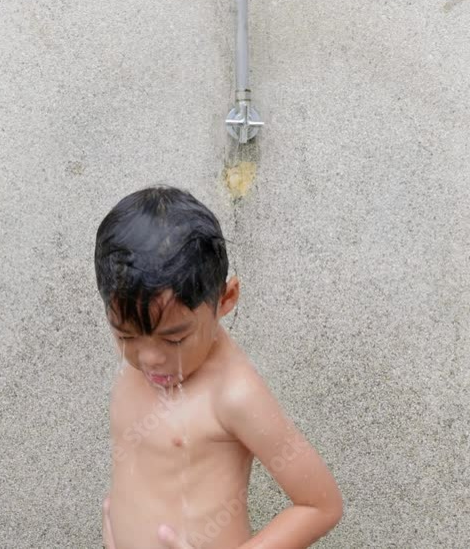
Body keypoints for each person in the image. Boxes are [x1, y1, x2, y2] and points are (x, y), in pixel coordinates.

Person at [95, 185, 343, 548]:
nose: (148, 358)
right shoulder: (144, 355)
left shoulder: (234, 394)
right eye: (126, 336)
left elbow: (320, 505)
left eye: (174, 339)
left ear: (225, 299)